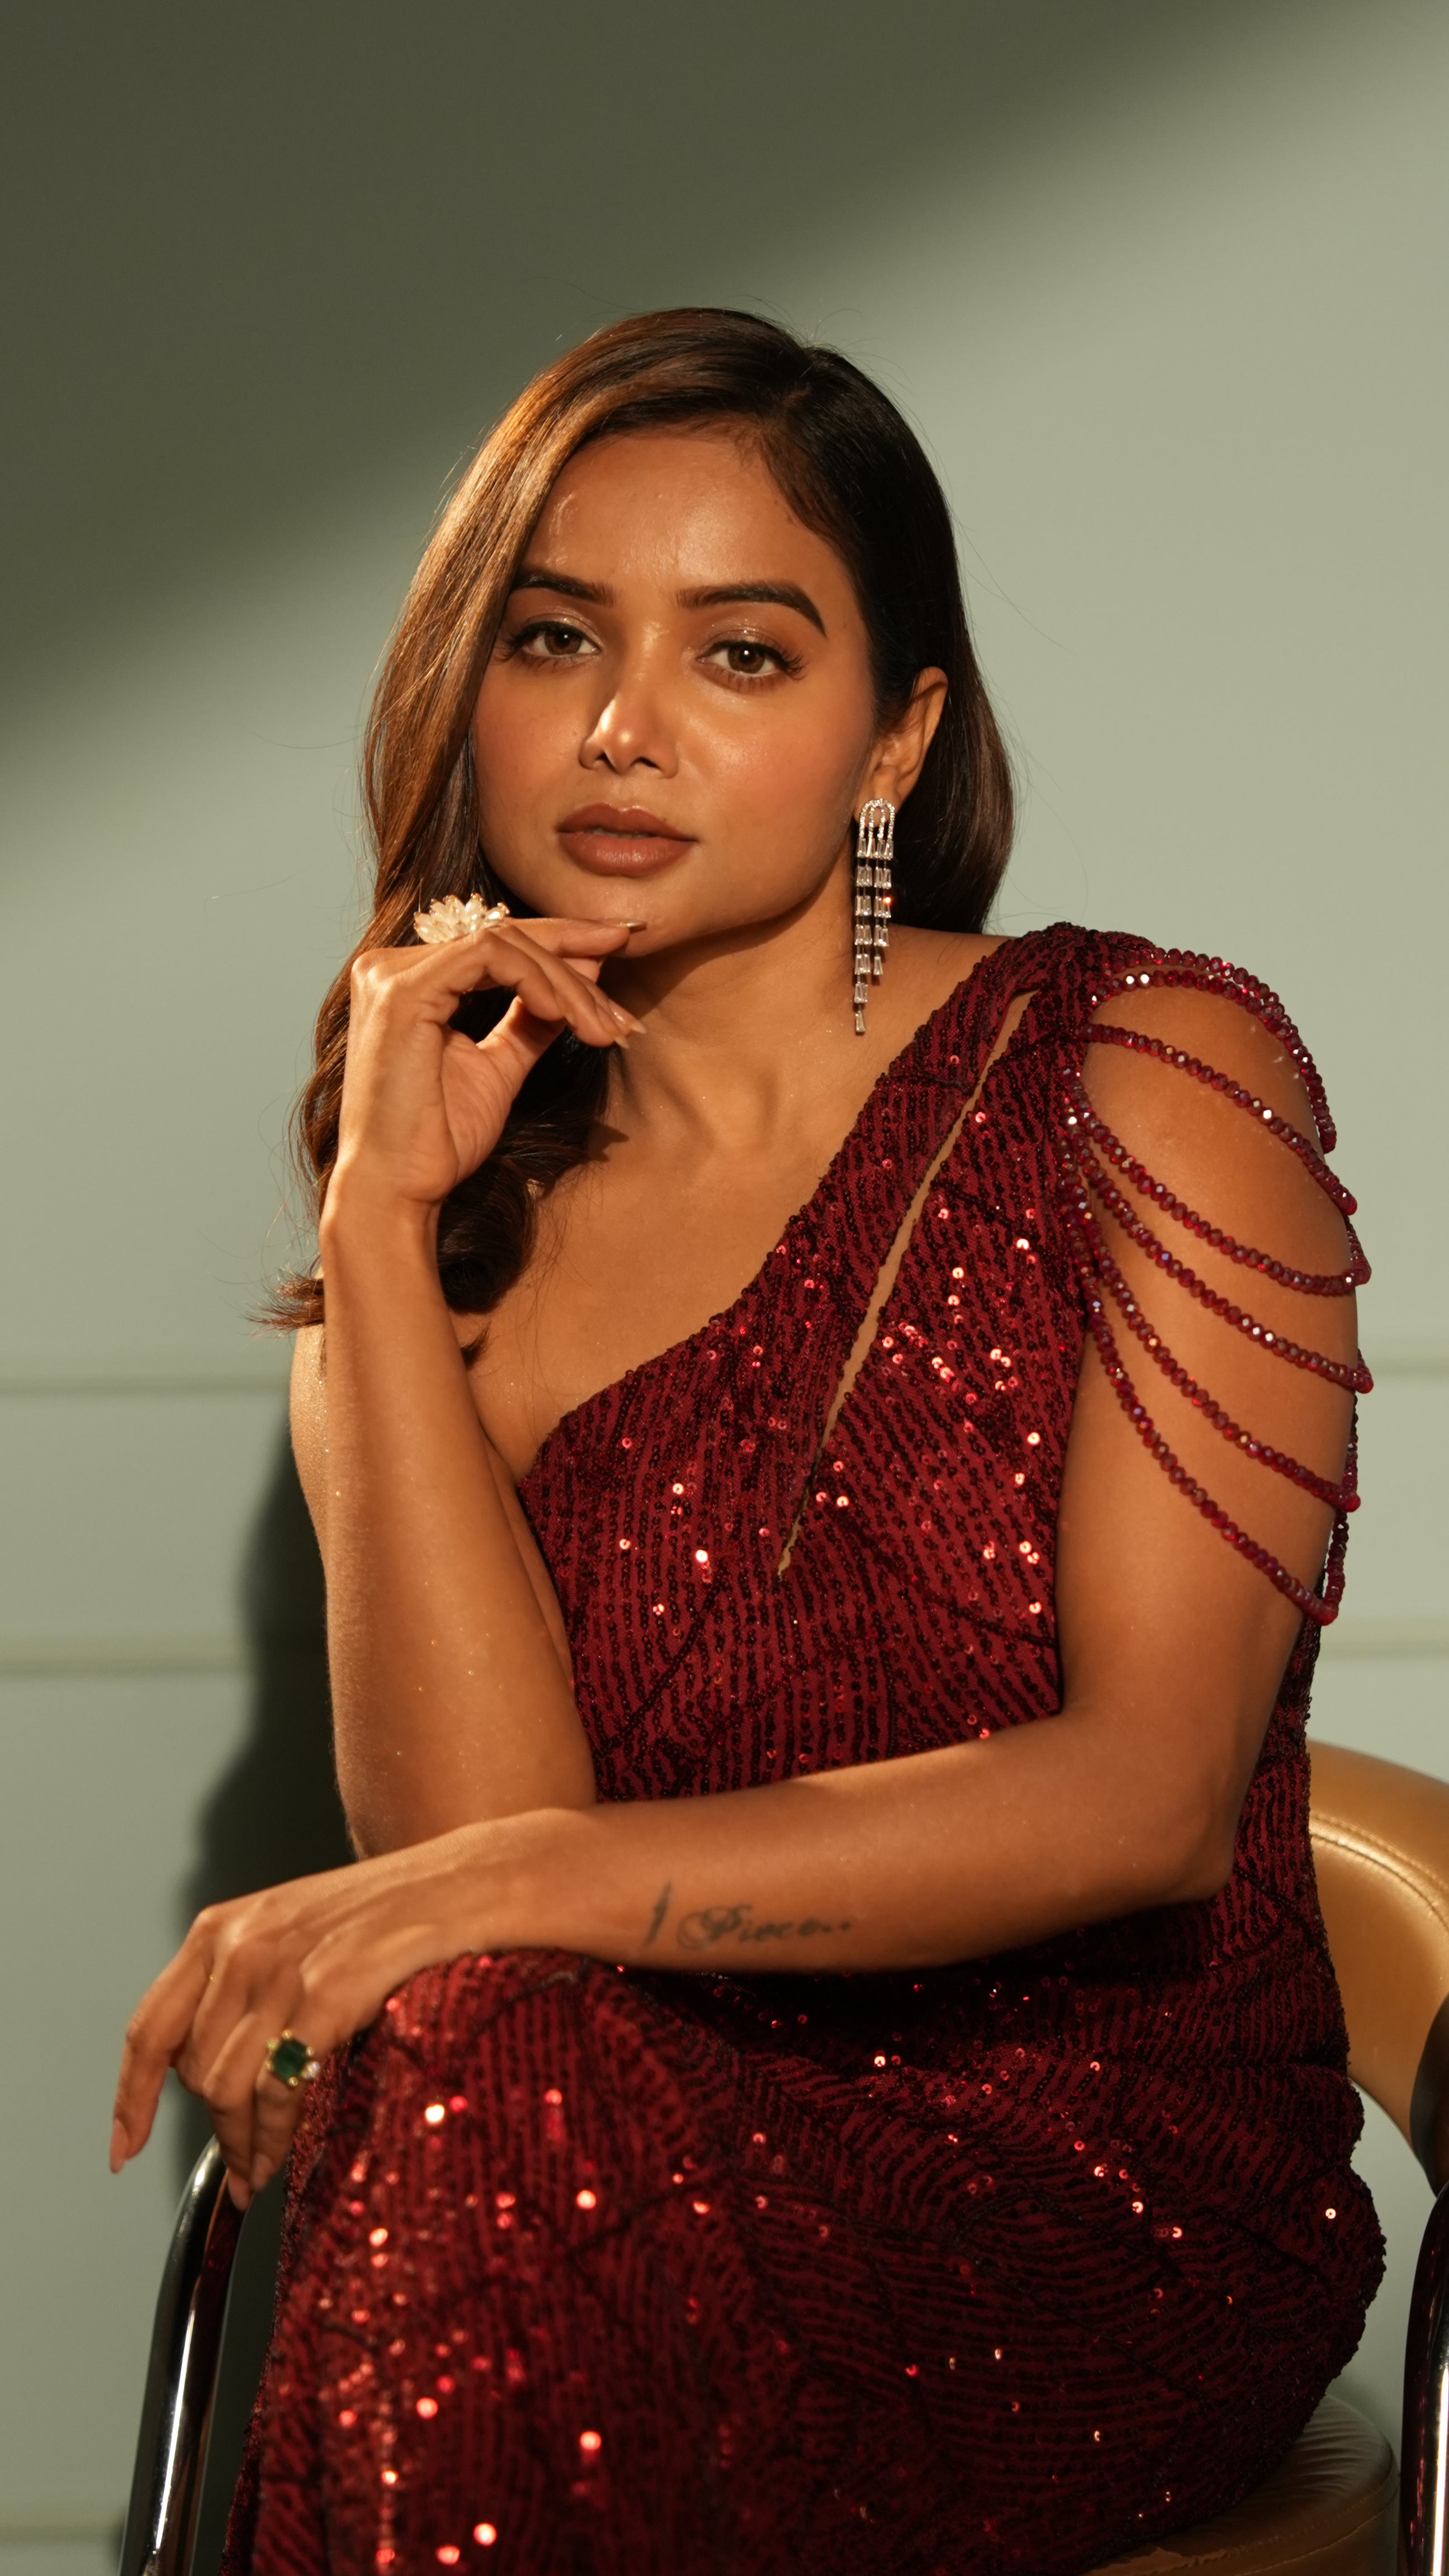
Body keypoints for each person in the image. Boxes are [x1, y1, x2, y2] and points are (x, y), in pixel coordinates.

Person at [111, 309, 1382, 2576]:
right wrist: (384, 1237)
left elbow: (1152, 1803)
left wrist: (502, 1891)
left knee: (486, 2076)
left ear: (893, 738)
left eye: (744, 654)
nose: (622, 726)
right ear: (462, 691)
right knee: (489, 2079)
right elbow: (474, 1896)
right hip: (601, 2146)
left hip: (1085, 2199)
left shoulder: (1142, 1073)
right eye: (557, 635)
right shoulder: (426, 1280)